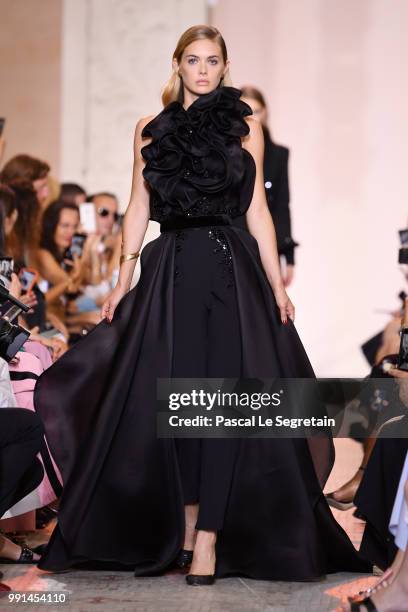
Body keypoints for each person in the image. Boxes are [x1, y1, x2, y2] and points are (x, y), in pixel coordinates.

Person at [34, 25, 370, 585]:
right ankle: (186, 527)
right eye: (194, 60)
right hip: (169, 274)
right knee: (173, 405)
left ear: (224, 66)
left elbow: (258, 212)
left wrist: (277, 284)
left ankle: (210, 535)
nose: (204, 70)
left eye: (213, 61)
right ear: (178, 65)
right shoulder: (148, 129)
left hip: (228, 270)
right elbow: (138, 205)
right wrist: (121, 280)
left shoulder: (246, 128)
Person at [232, 85, 298, 287]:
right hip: (233, 242)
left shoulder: (279, 155)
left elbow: (281, 205)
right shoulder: (225, 153)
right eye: (245, 110)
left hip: (264, 244)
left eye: (257, 111)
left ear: (266, 112)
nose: (251, 117)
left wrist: (289, 256)